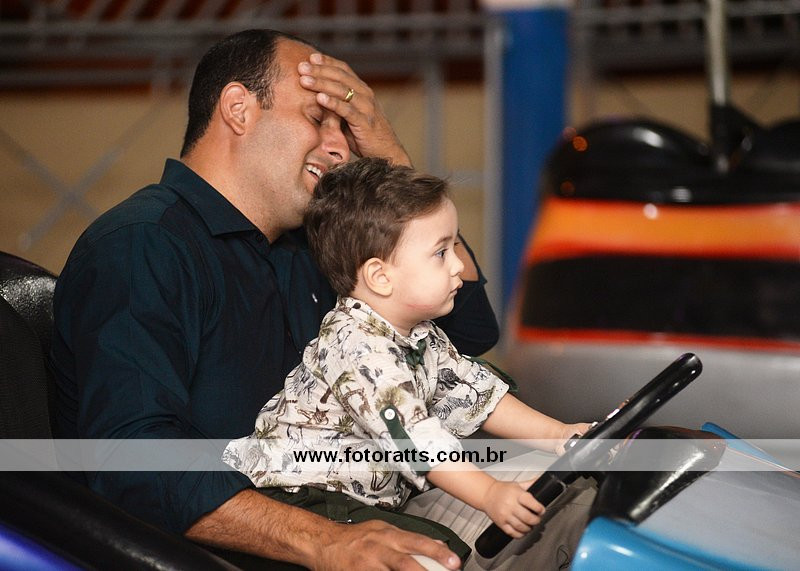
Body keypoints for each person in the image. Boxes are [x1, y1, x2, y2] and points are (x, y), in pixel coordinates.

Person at [51, 29, 502, 570]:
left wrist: (390, 154)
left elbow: (468, 332)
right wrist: (324, 541)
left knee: (557, 498)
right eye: (319, 119)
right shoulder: (142, 245)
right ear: (238, 109)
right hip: (234, 549)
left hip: (366, 505)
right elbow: (135, 461)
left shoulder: (311, 246)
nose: (341, 148)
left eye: (347, 128)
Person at [223, 157, 592, 566]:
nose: (458, 265)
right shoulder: (358, 348)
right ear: (381, 277)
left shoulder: (418, 333)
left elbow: (475, 393)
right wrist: (489, 494)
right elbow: (414, 439)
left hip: (371, 495)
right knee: (433, 556)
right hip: (305, 498)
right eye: (441, 252)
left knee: (556, 488)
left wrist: (561, 434)